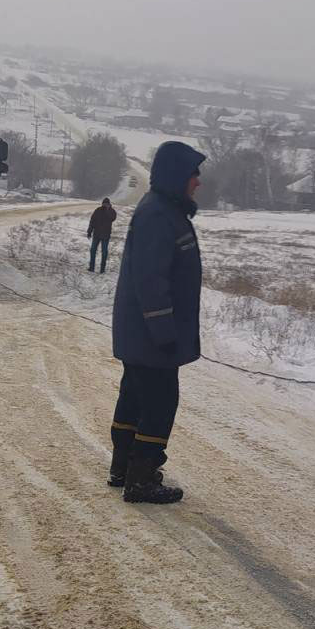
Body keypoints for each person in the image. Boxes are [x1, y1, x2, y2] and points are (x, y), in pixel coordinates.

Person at [108, 141, 205, 504]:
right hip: (150, 336)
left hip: (142, 334)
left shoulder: (164, 210)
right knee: (160, 402)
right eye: (194, 174)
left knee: (134, 398)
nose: (198, 182)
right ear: (177, 175)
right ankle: (142, 478)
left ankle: (123, 467)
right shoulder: (159, 215)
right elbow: (151, 280)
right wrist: (164, 333)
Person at [87, 197, 117, 273]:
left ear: (109, 204)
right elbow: (92, 221)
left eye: (107, 204)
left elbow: (112, 218)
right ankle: (91, 267)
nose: (105, 205)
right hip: (96, 234)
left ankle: (102, 269)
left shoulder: (112, 211)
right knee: (93, 250)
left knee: (104, 253)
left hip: (105, 236)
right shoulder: (98, 210)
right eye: (104, 204)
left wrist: (108, 210)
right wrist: (89, 231)